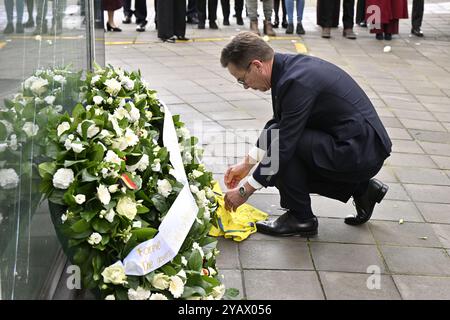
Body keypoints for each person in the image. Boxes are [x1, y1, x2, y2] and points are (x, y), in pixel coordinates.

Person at [220, 32, 391, 237]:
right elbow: (277, 124)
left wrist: (245, 191)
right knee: (277, 156)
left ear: (257, 65)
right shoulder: (286, 69)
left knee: (282, 155)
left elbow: (283, 143)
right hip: (355, 143)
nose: (246, 86)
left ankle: (301, 218)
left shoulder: (296, 81)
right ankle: (362, 189)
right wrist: (247, 164)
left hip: (360, 150)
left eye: (242, 79)